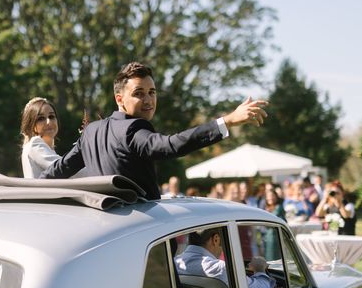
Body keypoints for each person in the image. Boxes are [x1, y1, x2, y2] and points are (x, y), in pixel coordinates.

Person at [40, 62, 268, 200]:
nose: (148, 100)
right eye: (139, 93)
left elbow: (57, 172)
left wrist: (24, 189)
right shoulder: (132, 129)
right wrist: (227, 121)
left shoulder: (90, 132)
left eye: (152, 92)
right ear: (119, 99)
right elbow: (171, 146)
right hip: (141, 238)